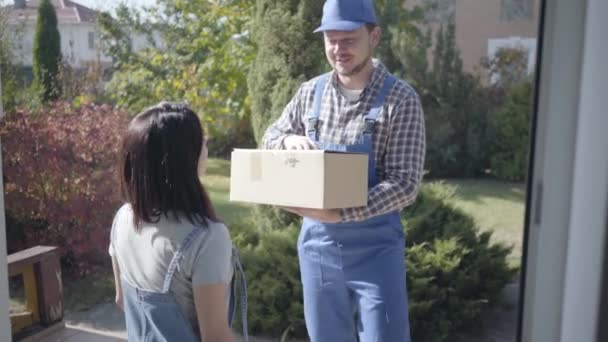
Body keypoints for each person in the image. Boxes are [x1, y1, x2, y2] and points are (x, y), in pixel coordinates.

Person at [262, 0, 426, 340]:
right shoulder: (310, 93)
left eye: (349, 39)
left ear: (374, 36)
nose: (338, 49)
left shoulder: (401, 99)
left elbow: (405, 184)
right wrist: (288, 141)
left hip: (377, 251)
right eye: (331, 40)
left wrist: (341, 212)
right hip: (318, 248)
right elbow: (270, 136)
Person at [109, 102, 248, 342]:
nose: (206, 146)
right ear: (186, 159)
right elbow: (215, 337)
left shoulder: (123, 218)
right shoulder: (207, 238)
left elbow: (122, 300)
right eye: (202, 141)